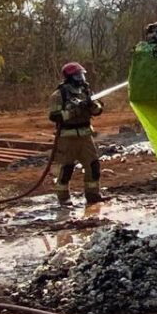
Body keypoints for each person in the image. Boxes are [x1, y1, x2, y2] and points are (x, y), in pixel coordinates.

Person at [47, 62, 104, 206]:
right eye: (77, 75)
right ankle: (63, 197)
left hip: (85, 136)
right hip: (67, 137)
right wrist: (74, 111)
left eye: (82, 75)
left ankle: (93, 195)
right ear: (70, 77)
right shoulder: (59, 94)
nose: (81, 78)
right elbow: (55, 116)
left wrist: (92, 106)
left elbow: (98, 110)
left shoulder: (86, 91)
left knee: (93, 165)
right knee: (66, 168)